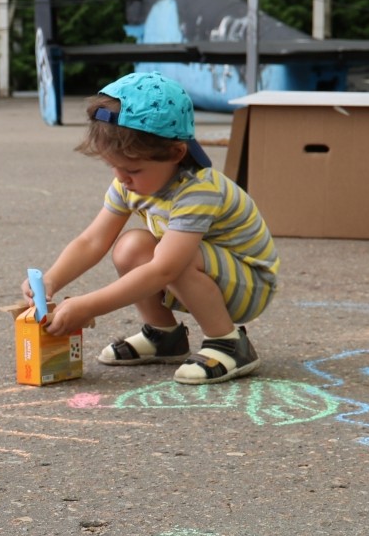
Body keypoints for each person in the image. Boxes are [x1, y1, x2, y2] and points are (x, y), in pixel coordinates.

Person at [23, 72, 279, 385]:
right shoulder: (129, 182)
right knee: (130, 246)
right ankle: (163, 335)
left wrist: (88, 306)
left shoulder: (197, 190)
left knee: (172, 258)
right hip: (202, 271)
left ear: (175, 154)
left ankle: (228, 342)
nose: (121, 177)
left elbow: (164, 270)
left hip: (249, 284)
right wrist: (52, 279)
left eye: (132, 169)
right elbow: (92, 240)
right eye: (113, 166)